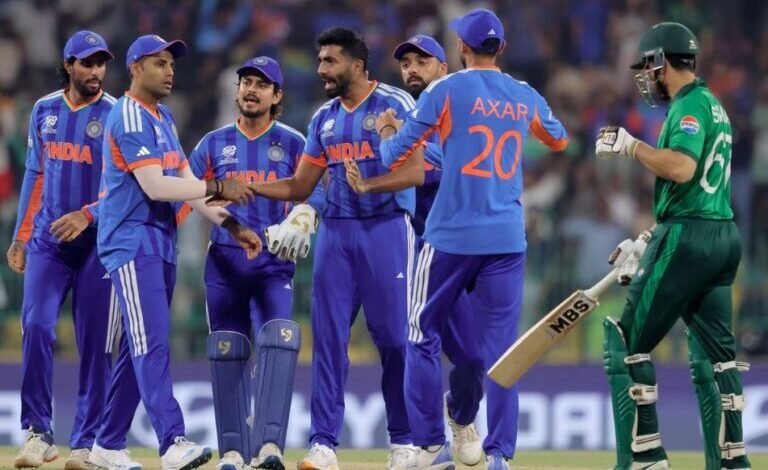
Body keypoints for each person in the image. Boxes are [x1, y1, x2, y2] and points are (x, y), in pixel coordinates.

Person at [374, 9, 568, 469]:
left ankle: (429, 446)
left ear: (461, 48)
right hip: (506, 239)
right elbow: (558, 139)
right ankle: (499, 455)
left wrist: (386, 130)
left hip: (450, 237)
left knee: (420, 334)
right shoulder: (523, 94)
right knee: (504, 353)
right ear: (501, 48)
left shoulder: (445, 90)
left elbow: (392, 156)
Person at [247, 27, 419, 470]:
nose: (321, 68)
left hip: (386, 228)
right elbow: (301, 185)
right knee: (327, 341)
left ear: (357, 66)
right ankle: (323, 444)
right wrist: (248, 186)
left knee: (394, 340)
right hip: (337, 235)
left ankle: (404, 441)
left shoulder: (395, 104)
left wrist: (373, 184)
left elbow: (417, 170)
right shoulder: (323, 117)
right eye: (320, 59)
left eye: (330, 61)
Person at [88, 34, 261, 470]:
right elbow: (156, 186)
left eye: (171, 64)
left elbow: (185, 181)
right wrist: (219, 185)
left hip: (160, 242)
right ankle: (172, 441)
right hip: (131, 243)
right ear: (135, 68)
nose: (169, 71)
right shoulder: (128, 115)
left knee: (138, 346)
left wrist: (232, 225)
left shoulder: (162, 117)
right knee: (151, 343)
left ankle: (107, 444)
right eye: (159, 63)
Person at [595, 22, 750, 470]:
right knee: (716, 359)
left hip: (689, 237)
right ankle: (731, 462)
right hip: (721, 235)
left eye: (647, 65)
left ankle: (643, 458)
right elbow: (697, 188)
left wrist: (631, 146)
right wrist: (651, 237)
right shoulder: (713, 104)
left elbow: (682, 168)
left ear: (663, 61)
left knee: (624, 343)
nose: (646, 76)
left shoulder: (688, 107)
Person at [347, 34, 484, 467]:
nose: (411, 69)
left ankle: (460, 415)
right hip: (423, 249)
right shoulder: (411, 116)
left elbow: (431, 168)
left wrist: (392, 136)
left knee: (473, 359)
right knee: (419, 342)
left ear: (443, 68)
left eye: (421, 61)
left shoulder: (458, 113)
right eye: (405, 62)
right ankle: (428, 445)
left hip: (467, 249)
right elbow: (413, 168)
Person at [188, 56, 324, 470]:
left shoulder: (295, 142)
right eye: (246, 81)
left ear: (277, 96)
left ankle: (269, 447)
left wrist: (305, 214)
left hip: (274, 261)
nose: (251, 89)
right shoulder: (212, 143)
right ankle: (232, 449)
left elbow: (319, 188)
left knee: (278, 343)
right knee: (227, 351)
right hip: (224, 262)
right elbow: (186, 190)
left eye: (261, 85)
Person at [7, 30, 118, 470]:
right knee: (36, 325)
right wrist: (20, 236)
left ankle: (86, 442)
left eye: (101, 63)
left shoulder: (117, 115)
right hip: (48, 243)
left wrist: (88, 215)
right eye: (87, 63)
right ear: (69, 64)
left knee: (95, 344)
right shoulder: (44, 110)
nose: (96, 71)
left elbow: (126, 187)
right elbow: (35, 174)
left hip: (99, 245)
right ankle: (38, 432)